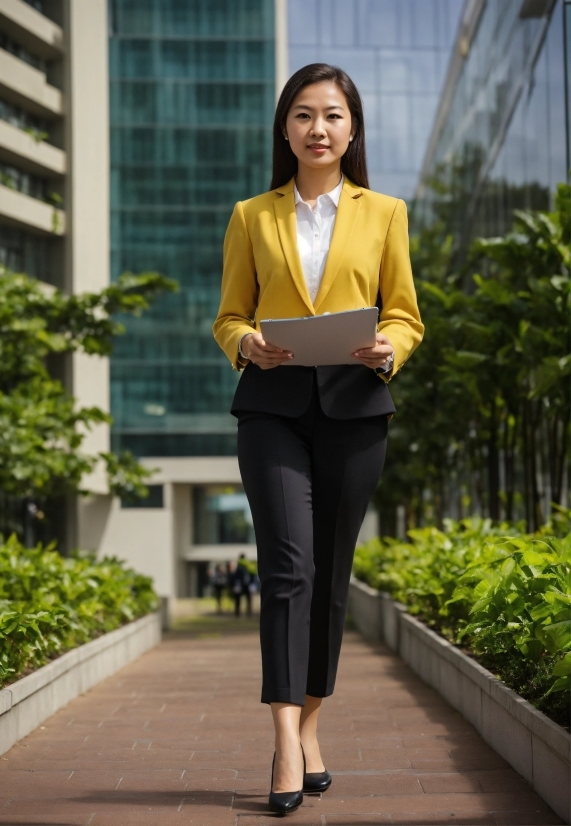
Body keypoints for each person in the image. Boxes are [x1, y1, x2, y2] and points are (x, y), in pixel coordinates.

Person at [213, 63, 423, 816]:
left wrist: (389, 349)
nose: (318, 128)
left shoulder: (386, 213)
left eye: (332, 115)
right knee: (287, 571)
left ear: (352, 128)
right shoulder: (250, 216)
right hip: (270, 407)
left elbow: (404, 312)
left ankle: (310, 724)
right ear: (285, 129)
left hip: (357, 409)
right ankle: (282, 742)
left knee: (330, 581)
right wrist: (248, 345)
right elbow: (229, 315)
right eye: (303, 115)